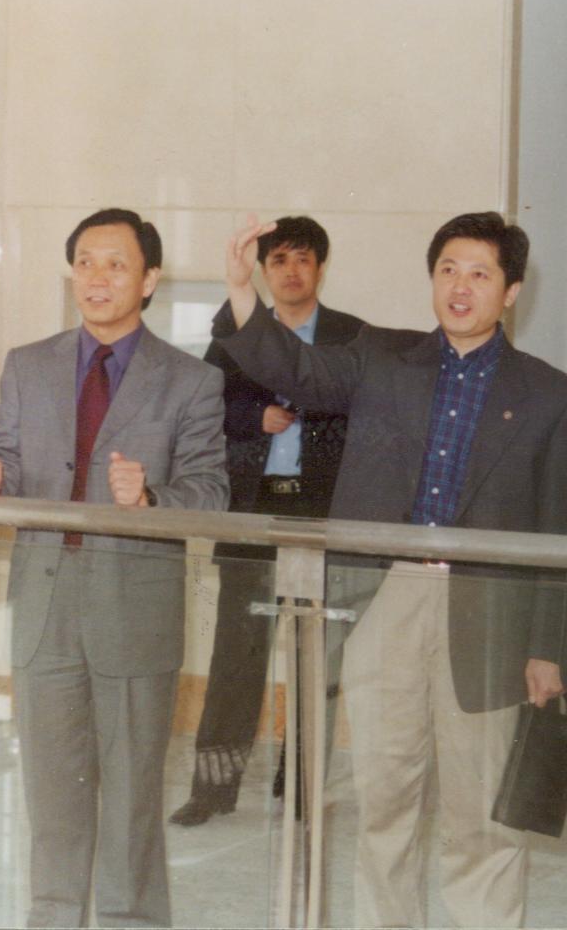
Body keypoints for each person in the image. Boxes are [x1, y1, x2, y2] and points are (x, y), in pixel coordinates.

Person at [215, 211, 567, 927]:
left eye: (479, 274)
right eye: (447, 270)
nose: (460, 287)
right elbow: (298, 371)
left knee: (483, 813)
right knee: (385, 801)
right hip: (384, 598)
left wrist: (547, 649)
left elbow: (560, 533)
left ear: (511, 291)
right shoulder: (382, 358)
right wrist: (241, 292)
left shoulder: (553, 396)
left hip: (490, 611)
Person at [0, 208, 228, 927]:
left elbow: (211, 494)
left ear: (149, 279)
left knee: (132, 799)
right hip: (45, 602)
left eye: (116, 264)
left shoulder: (191, 381)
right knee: (51, 795)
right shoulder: (27, 364)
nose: (97, 278)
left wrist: (153, 497)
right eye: (84, 262)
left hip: (134, 608)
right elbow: (10, 459)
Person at [170, 216, 364, 827]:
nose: (291, 271)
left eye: (303, 259)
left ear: (321, 268)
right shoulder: (232, 334)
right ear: (262, 271)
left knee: (316, 655)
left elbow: (363, 414)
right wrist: (254, 421)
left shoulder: (351, 336)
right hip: (253, 510)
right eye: (278, 260)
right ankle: (212, 790)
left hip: (319, 513)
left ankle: (300, 786)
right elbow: (203, 411)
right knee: (237, 652)